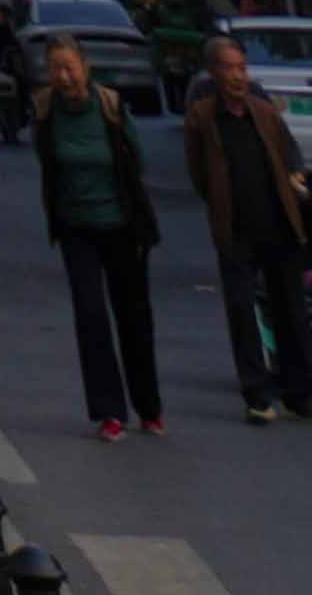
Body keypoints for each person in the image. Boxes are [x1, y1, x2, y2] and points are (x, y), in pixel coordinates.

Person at [28, 35, 167, 438]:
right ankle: (109, 412)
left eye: (70, 67)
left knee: (134, 316)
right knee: (91, 316)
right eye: (56, 68)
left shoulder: (109, 107)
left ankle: (149, 406)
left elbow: (134, 160)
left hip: (122, 224)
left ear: (85, 68)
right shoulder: (45, 111)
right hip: (76, 227)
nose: (64, 76)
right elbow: (48, 165)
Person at [179, 28, 312, 423]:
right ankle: (257, 394)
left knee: (289, 309)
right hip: (235, 229)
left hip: (279, 225)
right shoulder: (203, 117)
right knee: (242, 310)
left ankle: (298, 391)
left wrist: (296, 178)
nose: (237, 76)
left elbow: (290, 157)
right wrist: (221, 208)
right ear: (213, 74)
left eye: (241, 67)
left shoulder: (264, 112)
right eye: (228, 68)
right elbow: (198, 173)